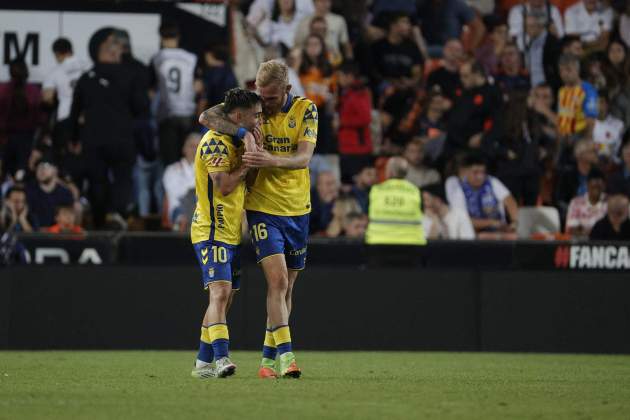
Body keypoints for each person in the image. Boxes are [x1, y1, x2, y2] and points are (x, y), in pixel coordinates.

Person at [199, 60, 318, 379]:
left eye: (271, 99)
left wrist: (270, 159)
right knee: (277, 281)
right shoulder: (252, 110)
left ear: (288, 90)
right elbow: (206, 116)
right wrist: (243, 133)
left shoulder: (306, 111)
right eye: (260, 97)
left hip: (298, 208)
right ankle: (287, 357)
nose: (264, 106)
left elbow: (304, 158)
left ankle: (266, 362)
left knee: (288, 286)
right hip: (262, 207)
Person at [190, 88, 263, 379]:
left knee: (225, 299)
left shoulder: (239, 137)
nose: (259, 120)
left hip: (231, 230)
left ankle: (202, 363)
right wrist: (246, 163)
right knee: (219, 294)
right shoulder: (215, 143)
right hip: (210, 230)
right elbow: (225, 186)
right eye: (255, 115)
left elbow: (250, 182)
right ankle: (221, 359)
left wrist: (255, 157)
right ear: (237, 116)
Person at [69, 27, 149, 229]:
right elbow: (142, 107)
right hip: (122, 139)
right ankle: (115, 215)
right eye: (116, 46)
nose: (120, 50)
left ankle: (99, 222)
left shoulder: (86, 78)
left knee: (97, 182)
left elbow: (74, 113)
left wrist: (74, 139)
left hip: (93, 141)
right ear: (107, 50)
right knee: (122, 179)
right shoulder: (130, 75)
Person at [150, 22, 202, 166]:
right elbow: (198, 86)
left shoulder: (157, 59)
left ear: (161, 37)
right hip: (187, 112)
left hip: (167, 114)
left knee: (169, 161)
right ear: (178, 36)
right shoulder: (191, 58)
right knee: (189, 159)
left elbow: (151, 91)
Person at [446, 154, 519, 240]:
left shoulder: (491, 181)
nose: (480, 176)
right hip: (471, 233)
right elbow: (462, 219)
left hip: (498, 229)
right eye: (475, 172)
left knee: (514, 236)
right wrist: (491, 223)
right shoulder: (455, 184)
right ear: (464, 172)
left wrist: (514, 222)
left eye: (482, 172)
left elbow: (509, 201)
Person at [42, 38, 91, 162]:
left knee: (66, 160)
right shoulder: (89, 66)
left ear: (57, 53)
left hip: (66, 120)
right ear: (71, 50)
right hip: (88, 119)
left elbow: (47, 98)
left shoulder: (55, 72)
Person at [365, 156, 426, 245]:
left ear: (389, 172)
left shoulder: (375, 191)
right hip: (411, 244)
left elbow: (367, 216)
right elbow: (422, 214)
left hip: (379, 243)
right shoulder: (415, 192)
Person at [336, 61, 372, 183]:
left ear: (349, 76)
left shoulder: (359, 93)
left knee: (357, 184)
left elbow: (365, 118)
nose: (338, 79)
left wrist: (341, 121)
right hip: (347, 147)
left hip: (357, 149)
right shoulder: (348, 92)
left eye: (340, 76)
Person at [557, 54, 598, 141]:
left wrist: (586, 143)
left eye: (568, 69)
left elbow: (591, 121)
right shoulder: (561, 91)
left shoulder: (587, 90)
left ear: (577, 70)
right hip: (564, 139)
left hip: (580, 138)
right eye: (561, 70)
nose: (564, 74)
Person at [163, 133, 201, 228]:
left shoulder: (211, 172)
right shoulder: (172, 170)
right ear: (184, 149)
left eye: (198, 146)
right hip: (180, 212)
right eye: (191, 146)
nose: (195, 150)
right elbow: (176, 194)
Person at [25, 159, 75, 229]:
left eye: (45, 167)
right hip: (35, 235)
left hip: (59, 235)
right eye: (38, 168)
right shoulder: (29, 191)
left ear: (55, 170)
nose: (41, 170)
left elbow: (69, 218)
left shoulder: (65, 193)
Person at [565, 168, 607, 238]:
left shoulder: (610, 203)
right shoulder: (576, 203)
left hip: (604, 244)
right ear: (587, 184)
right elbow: (571, 229)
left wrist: (584, 229)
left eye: (599, 187)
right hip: (580, 244)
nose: (596, 190)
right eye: (593, 187)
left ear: (604, 186)